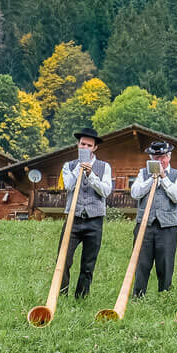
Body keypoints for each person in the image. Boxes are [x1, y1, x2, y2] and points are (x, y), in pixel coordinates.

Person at [57, 127, 113, 299]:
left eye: (89, 145)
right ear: (77, 145)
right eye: (82, 144)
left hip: (94, 220)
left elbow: (106, 191)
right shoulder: (69, 166)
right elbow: (68, 186)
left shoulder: (104, 167)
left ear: (95, 148)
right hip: (73, 219)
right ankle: (60, 295)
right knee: (63, 260)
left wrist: (91, 175)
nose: (85, 148)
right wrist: (79, 169)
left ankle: (81, 298)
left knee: (88, 264)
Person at [129, 140, 177, 297]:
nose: (159, 161)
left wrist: (163, 178)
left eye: (162, 157)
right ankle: (138, 295)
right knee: (142, 261)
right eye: (155, 158)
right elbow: (135, 193)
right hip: (144, 224)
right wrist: (152, 179)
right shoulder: (143, 173)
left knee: (165, 262)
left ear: (169, 157)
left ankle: (165, 295)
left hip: (167, 226)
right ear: (150, 158)